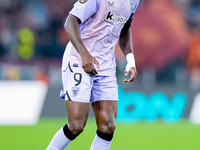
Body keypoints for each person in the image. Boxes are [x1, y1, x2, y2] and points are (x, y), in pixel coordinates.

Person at [47, 0, 139, 149]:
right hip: (79, 59)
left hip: (106, 65)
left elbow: (125, 29)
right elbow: (70, 22)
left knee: (108, 125)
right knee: (76, 125)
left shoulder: (133, 1)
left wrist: (130, 60)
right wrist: (84, 55)